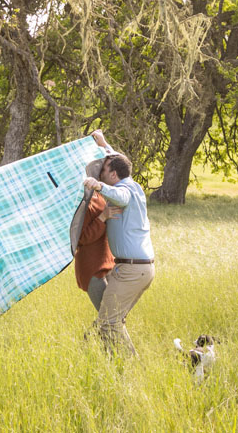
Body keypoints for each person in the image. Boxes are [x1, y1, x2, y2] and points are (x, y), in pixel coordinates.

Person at [83, 144, 155, 356]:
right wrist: (105, 145)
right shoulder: (134, 185)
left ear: (113, 174)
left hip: (132, 271)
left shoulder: (125, 191)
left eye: (104, 170)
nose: (101, 172)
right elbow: (120, 163)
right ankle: (114, 363)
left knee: (108, 323)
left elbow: (121, 197)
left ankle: (131, 366)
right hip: (133, 269)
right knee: (109, 321)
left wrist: (98, 185)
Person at [74, 186, 115, 311]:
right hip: (93, 269)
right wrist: (102, 217)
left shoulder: (98, 194)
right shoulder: (81, 202)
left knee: (115, 315)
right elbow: (81, 238)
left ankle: (93, 331)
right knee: (109, 315)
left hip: (108, 264)